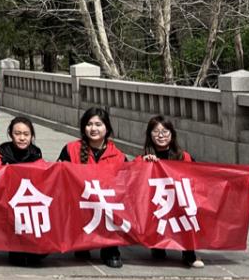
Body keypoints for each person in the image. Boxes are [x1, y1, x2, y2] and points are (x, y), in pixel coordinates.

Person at [58, 107, 126, 268]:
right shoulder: (71, 149)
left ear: (107, 128)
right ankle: (82, 242)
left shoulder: (118, 155)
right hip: (80, 202)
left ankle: (110, 248)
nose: (93, 129)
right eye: (89, 124)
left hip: (106, 204)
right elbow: (58, 176)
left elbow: (129, 182)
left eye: (98, 124)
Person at [137, 115, 203, 268]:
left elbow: (201, 176)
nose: (161, 135)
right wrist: (143, 163)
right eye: (156, 132)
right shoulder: (145, 158)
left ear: (172, 134)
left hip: (179, 201)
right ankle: (158, 245)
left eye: (165, 131)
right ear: (149, 135)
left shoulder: (184, 157)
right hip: (158, 202)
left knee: (187, 213)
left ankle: (189, 253)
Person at [0, 116, 46, 266]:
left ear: (32, 136)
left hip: (29, 201)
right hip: (9, 200)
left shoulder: (36, 153)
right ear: (11, 134)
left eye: (26, 134)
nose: (22, 138)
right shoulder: (2, 152)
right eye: (17, 134)